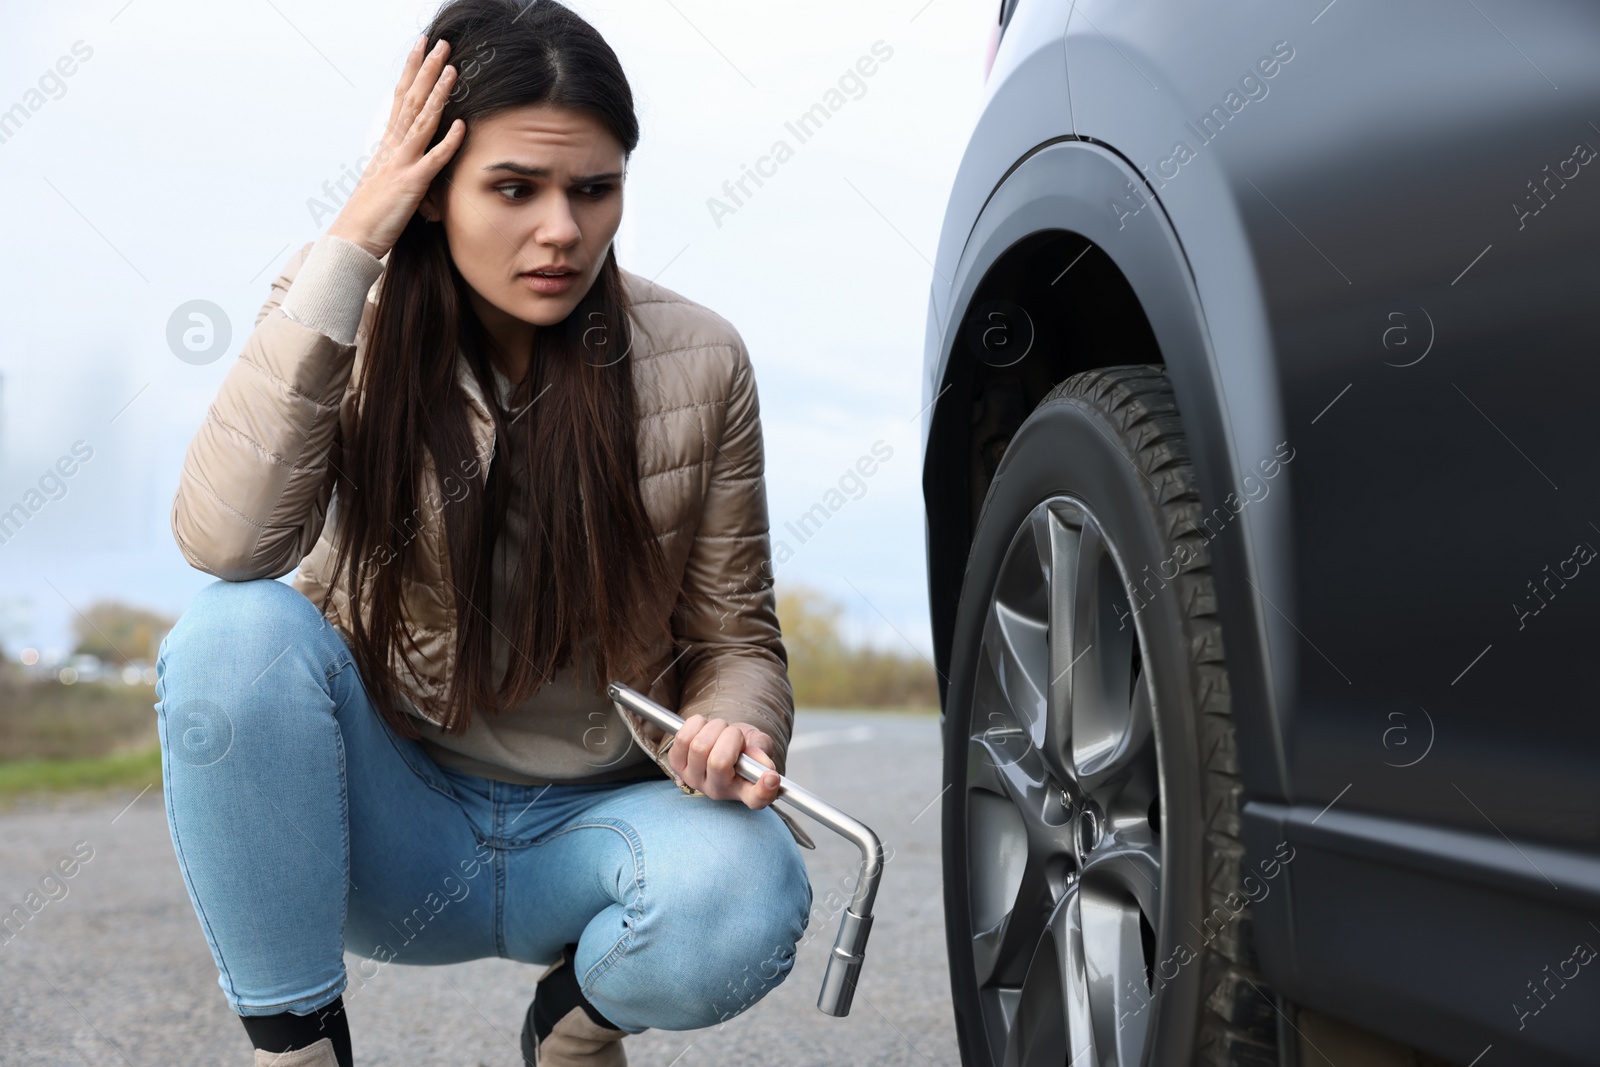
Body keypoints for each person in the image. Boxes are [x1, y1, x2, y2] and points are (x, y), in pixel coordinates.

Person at [155, 2, 814, 1064]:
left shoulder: (701, 357)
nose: (561, 229)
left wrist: (737, 726)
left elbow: (737, 637)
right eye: (514, 188)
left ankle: (575, 1023)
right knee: (231, 633)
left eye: (592, 190)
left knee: (749, 889)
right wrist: (351, 241)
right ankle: (300, 1049)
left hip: (595, 834)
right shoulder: (344, 316)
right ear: (431, 187)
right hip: (391, 829)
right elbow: (228, 540)